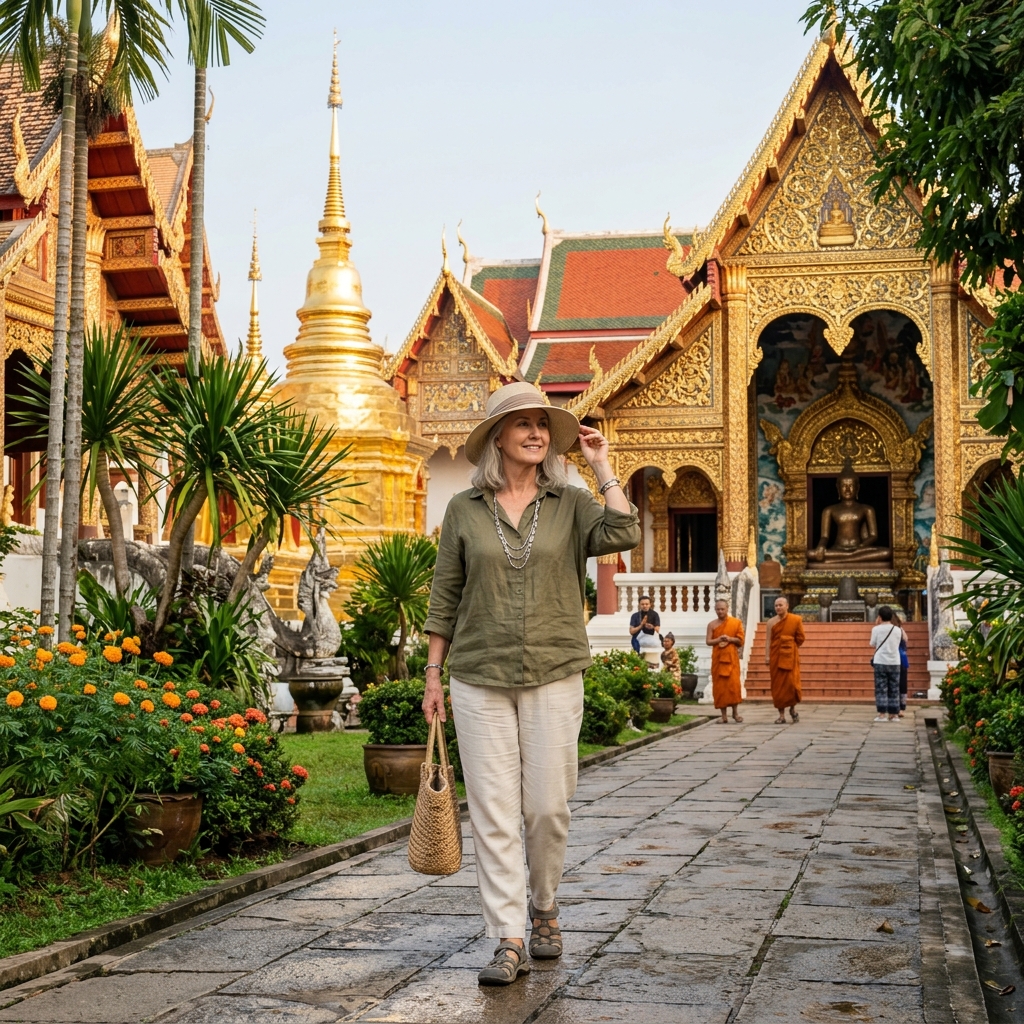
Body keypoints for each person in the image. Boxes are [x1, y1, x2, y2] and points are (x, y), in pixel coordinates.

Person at [421, 381, 640, 987]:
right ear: (498, 437)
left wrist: (600, 466)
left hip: (553, 669)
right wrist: (433, 673)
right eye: (523, 425)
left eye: (544, 425)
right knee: (493, 811)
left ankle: (545, 904)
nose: (537, 433)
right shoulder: (464, 511)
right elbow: (445, 598)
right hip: (477, 674)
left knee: (546, 807)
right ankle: (508, 937)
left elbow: (624, 534)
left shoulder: (570, 503)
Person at [765, 596, 804, 724]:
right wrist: (767, 656)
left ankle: (792, 709)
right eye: (776, 605)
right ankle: (781, 715)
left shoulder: (795, 620)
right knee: (778, 687)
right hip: (776, 656)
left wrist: (790, 646)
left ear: (787, 606)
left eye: (780, 605)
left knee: (792, 685)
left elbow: (800, 638)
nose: (778, 607)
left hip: (790, 657)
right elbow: (768, 641)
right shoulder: (771, 622)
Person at [707, 598, 744, 724]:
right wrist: (718, 640)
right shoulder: (712, 624)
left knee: (733, 686)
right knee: (720, 688)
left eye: (722, 609)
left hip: (731, 659)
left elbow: (740, 641)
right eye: (718, 609)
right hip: (718, 659)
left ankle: (735, 713)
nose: (720, 611)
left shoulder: (736, 623)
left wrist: (729, 639)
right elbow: (708, 641)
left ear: (727, 609)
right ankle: (723, 716)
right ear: (715, 610)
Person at [870, 605, 906, 722]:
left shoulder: (876, 629)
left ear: (879, 617)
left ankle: (882, 714)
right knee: (894, 688)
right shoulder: (898, 630)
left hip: (880, 661)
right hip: (895, 661)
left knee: (881, 688)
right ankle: (894, 714)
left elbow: (872, 643)